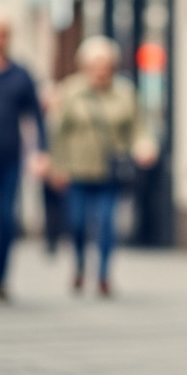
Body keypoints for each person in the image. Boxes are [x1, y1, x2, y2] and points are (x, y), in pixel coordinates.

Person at [49, 36, 157, 297]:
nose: (100, 70)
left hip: (110, 171)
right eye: (95, 64)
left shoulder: (125, 92)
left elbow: (138, 127)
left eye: (105, 64)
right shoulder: (71, 91)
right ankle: (79, 264)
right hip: (77, 170)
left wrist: (144, 145)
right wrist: (56, 165)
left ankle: (103, 276)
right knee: (76, 223)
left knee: (107, 223)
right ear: (84, 66)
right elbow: (59, 131)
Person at [0, 7, 49, 302]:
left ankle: (0, 278)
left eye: (2, 34)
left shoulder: (20, 74)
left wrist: (41, 153)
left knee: (5, 219)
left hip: (9, 158)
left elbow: (36, 116)